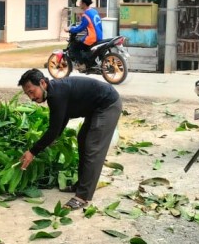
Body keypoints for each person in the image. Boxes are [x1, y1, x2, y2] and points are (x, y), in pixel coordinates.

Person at [18, 68, 122, 211]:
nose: (31, 97)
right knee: (83, 141)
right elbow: (62, 118)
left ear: (42, 83)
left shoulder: (56, 94)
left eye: (31, 91)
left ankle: (82, 197)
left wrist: (32, 152)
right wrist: (56, 136)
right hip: (95, 108)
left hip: (108, 105)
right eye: (27, 94)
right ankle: (81, 185)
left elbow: (53, 129)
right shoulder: (54, 92)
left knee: (92, 147)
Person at [66, 0, 103, 65]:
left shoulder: (86, 15)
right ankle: (88, 63)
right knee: (82, 42)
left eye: (80, 1)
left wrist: (70, 29)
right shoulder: (94, 11)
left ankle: (82, 64)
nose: (79, 3)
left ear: (84, 3)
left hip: (92, 38)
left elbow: (80, 28)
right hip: (99, 36)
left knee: (74, 48)